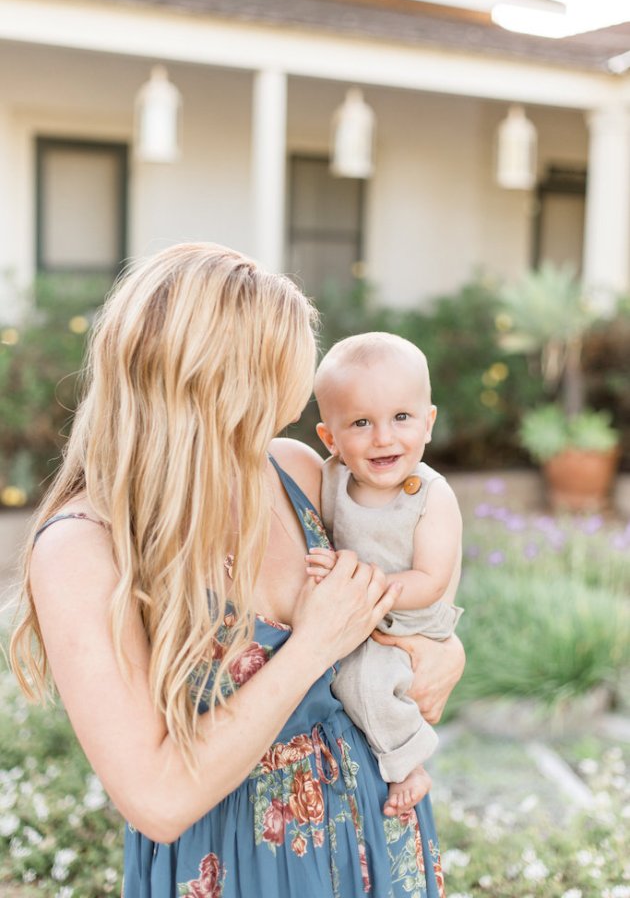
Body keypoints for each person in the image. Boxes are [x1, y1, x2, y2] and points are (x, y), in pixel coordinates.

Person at [10, 243, 464, 898]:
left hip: (377, 836)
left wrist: (445, 646)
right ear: (211, 380)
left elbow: (401, 578)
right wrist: (311, 646)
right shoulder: (86, 548)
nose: (299, 388)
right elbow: (157, 800)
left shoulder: (297, 471)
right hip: (237, 865)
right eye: (282, 365)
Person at [307, 333, 463, 819]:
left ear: (428, 422)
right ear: (330, 439)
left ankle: (408, 762)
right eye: (360, 422)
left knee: (366, 682)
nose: (383, 437)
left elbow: (430, 580)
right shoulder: (330, 478)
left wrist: (362, 588)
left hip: (411, 620)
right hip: (362, 612)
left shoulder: (431, 495)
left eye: (401, 417)